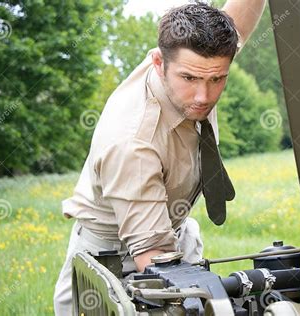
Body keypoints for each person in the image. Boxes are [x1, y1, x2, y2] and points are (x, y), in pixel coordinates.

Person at [53, 1, 266, 314]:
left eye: (217, 80)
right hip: (114, 266)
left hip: (171, 233)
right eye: (190, 79)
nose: (203, 97)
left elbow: (238, 25)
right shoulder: (133, 144)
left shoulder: (194, 59)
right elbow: (154, 259)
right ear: (158, 62)